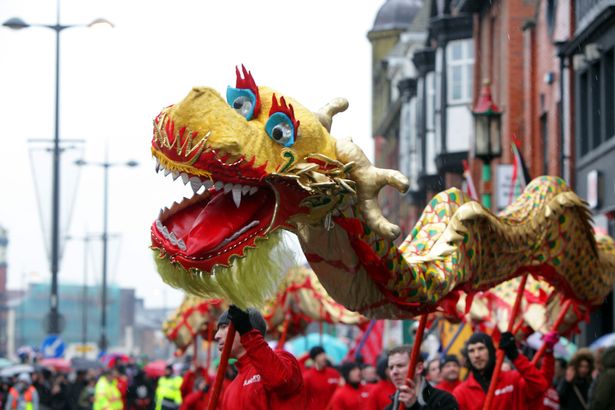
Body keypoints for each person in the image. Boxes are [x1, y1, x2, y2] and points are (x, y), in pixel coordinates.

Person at [215, 305, 306, 409]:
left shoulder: (283, 358)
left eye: (223, 327)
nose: (216, 336)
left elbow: (280, 381)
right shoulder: (229, 390)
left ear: (243, 326)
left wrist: (248, 335)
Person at [452, 331, 548, 410]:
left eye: (481, 348)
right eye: (471, 351)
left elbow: (540, 386)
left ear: (491, 351)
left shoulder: (513, 379)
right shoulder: (461, 392)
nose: (476, 355)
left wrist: (515, 356)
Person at [385, 345, 458, 409]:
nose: (394, 372)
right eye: (391, 368)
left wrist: (414, 406)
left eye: (400, 366)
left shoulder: (443, 400)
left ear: (419, 368)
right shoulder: (390, 408)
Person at [302, 346, 340, 410]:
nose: (324, 357)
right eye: (320, 355)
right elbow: (303, 399)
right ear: (314, 359)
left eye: (324, 354)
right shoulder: (307, 377)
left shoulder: (334, 374)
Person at [589, 345, 615, 410]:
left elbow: (599, 401)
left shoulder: (607, 375)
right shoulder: (600, 375)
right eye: (595, 362)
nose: (597, 366)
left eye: (598, 362)